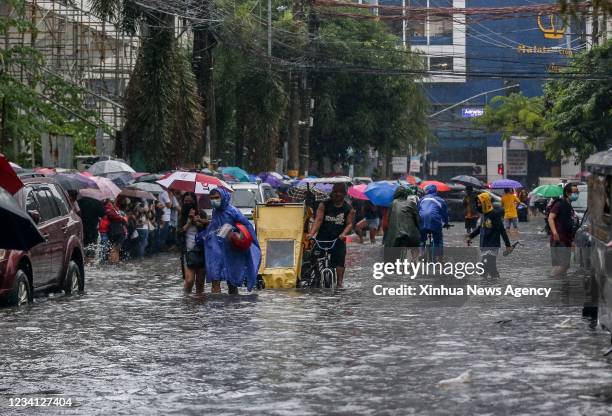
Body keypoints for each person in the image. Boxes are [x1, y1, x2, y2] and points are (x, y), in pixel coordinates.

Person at [197, 188, 261, 294]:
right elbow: (214, 226)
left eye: (217, 197)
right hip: (215, 250)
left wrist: (237, 234)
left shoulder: (233, 211)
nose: (214, 200)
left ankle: (232, 308)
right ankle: (216, 308)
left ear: (223, 197)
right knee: (215, 278)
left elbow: (246, 226)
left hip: (231, 250)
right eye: (211, 198)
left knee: (232, 282)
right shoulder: (215, 211)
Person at [307, 183, 355, 288]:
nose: (337, 194)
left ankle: (339, 283)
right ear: (332, 193)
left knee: (340, 260)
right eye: (335, 192)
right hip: (322, 237)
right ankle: (317, 276)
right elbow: (318, 220)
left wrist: (343, 234)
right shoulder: (324, 204)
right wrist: (311, 234)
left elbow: (349, 224)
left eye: (340, 192)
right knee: (313, 256)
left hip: (338, 239)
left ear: (344, 194)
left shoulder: (348, 208)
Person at [466, 192, 512, 278]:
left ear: (486, 202)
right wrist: (470, 236)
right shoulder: (483, 215)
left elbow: (502, 230)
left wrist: (508, 245)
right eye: (478, 203)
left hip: (492, 246)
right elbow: (480, 228)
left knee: (482, 269)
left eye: (480, 203)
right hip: (484, 246)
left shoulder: (494, 214)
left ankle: (485, 287)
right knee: (491, 270)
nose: (479, 205)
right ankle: (495, 286)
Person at [548, 183, 579, 277]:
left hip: (566, 239)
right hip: (558, 239)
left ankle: (562, 286)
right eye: (574, 192)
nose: (576, 194)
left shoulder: (569, 206)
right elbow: (550, 218)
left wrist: (572, 240)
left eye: (577, 192)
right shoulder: (559, 204)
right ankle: (552, 281)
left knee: (565, 266)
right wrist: (554, 232)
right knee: (562, 265)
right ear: (567, 193)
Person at [179, 192, 208, 293]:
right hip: (187, 251)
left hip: (201, 251)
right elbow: (178, 233)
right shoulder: (181, 215)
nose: (188, 203)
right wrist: (188, 222)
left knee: (200, 282)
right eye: (186, 201)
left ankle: (198, 304)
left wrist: (197, 220)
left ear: (194, 202)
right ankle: (186, 302)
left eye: (190, 201)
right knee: (189, 280)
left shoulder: (202, 214)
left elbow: (207, 229)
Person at [383, 186, 421, 261]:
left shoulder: (392, 204)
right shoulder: (412, 203)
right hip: (411, 235)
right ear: (406, 195)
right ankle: (414, 261)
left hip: (396, 236)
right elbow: (418, 220)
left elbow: (388, 220)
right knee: (416, 246)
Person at [418, 184, 449, 260]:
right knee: (438, 240)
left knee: (421, 238)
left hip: (422, 221)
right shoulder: (440, 200)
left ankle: (421, 252)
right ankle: (440, 257)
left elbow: (418, 210)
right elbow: (445, 214)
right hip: (435, 221)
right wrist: (446, 223)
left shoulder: (421, 199)